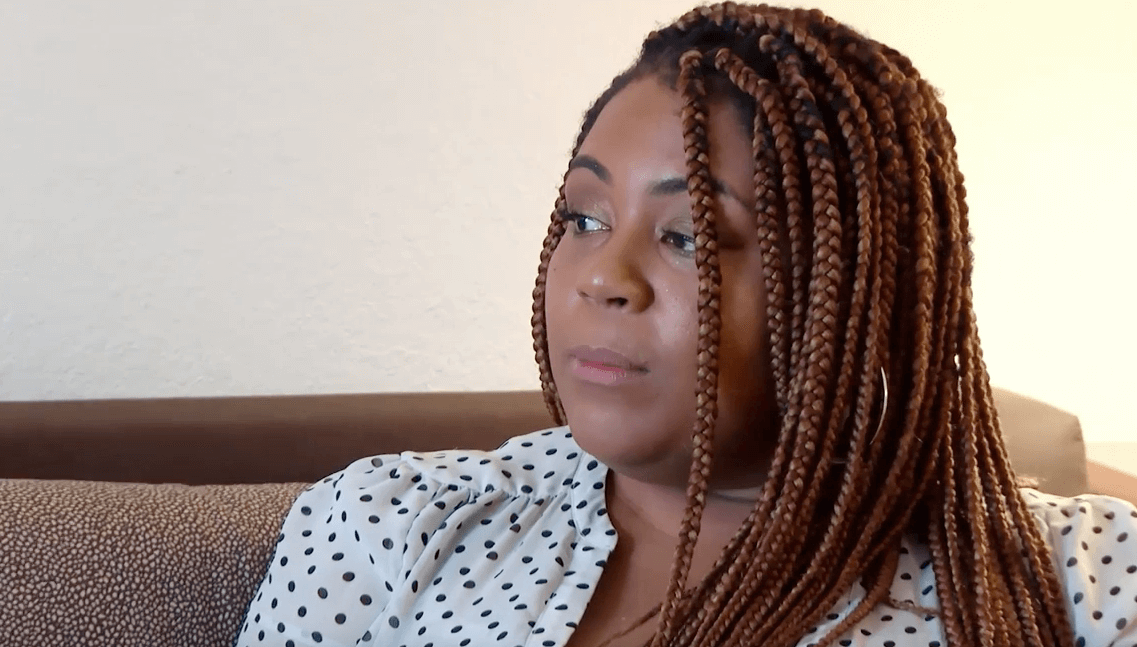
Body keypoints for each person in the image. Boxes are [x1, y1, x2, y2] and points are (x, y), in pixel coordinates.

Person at [234, 4, 1137, 647]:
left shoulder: (1088, 578)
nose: (603, 276)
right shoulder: (389, 522)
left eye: (687, 237)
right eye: (583, 217)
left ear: (856, 295)